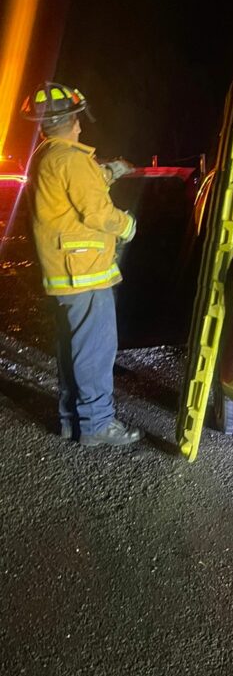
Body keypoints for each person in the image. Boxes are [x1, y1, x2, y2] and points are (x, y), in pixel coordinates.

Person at [21, 81, 143, 445]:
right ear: (73, 119)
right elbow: (97, 212)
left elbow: (76, 191)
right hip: (84, 272)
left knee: (72, 350)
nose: (81, 126)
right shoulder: (72, 159)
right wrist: (128, 226)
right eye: (78, 119)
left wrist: (107, 173)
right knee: (94, 351)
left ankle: (72, 420)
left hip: (65, 274)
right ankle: (96, 425)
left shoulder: (49, 155)